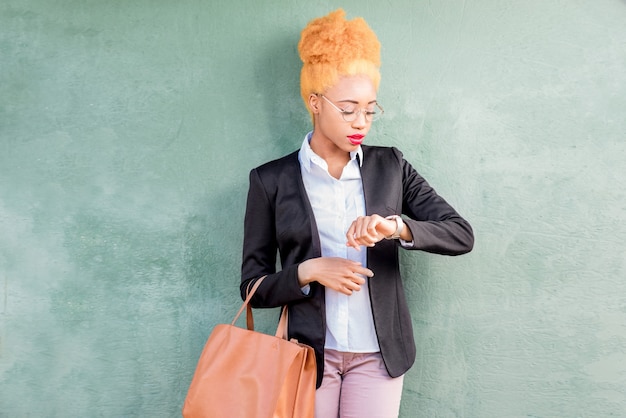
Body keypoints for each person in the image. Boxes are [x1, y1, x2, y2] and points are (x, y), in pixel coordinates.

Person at [241, 9, 474, 418]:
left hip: (380, 356)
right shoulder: (270, 180)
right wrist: (308, 271)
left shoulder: (392, 166)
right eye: (348, 109)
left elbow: (459, 234)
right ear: (315, 103)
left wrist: (396, 226)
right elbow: (251, 287)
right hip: (308, 357)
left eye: (369, 109)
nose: (361, 122)